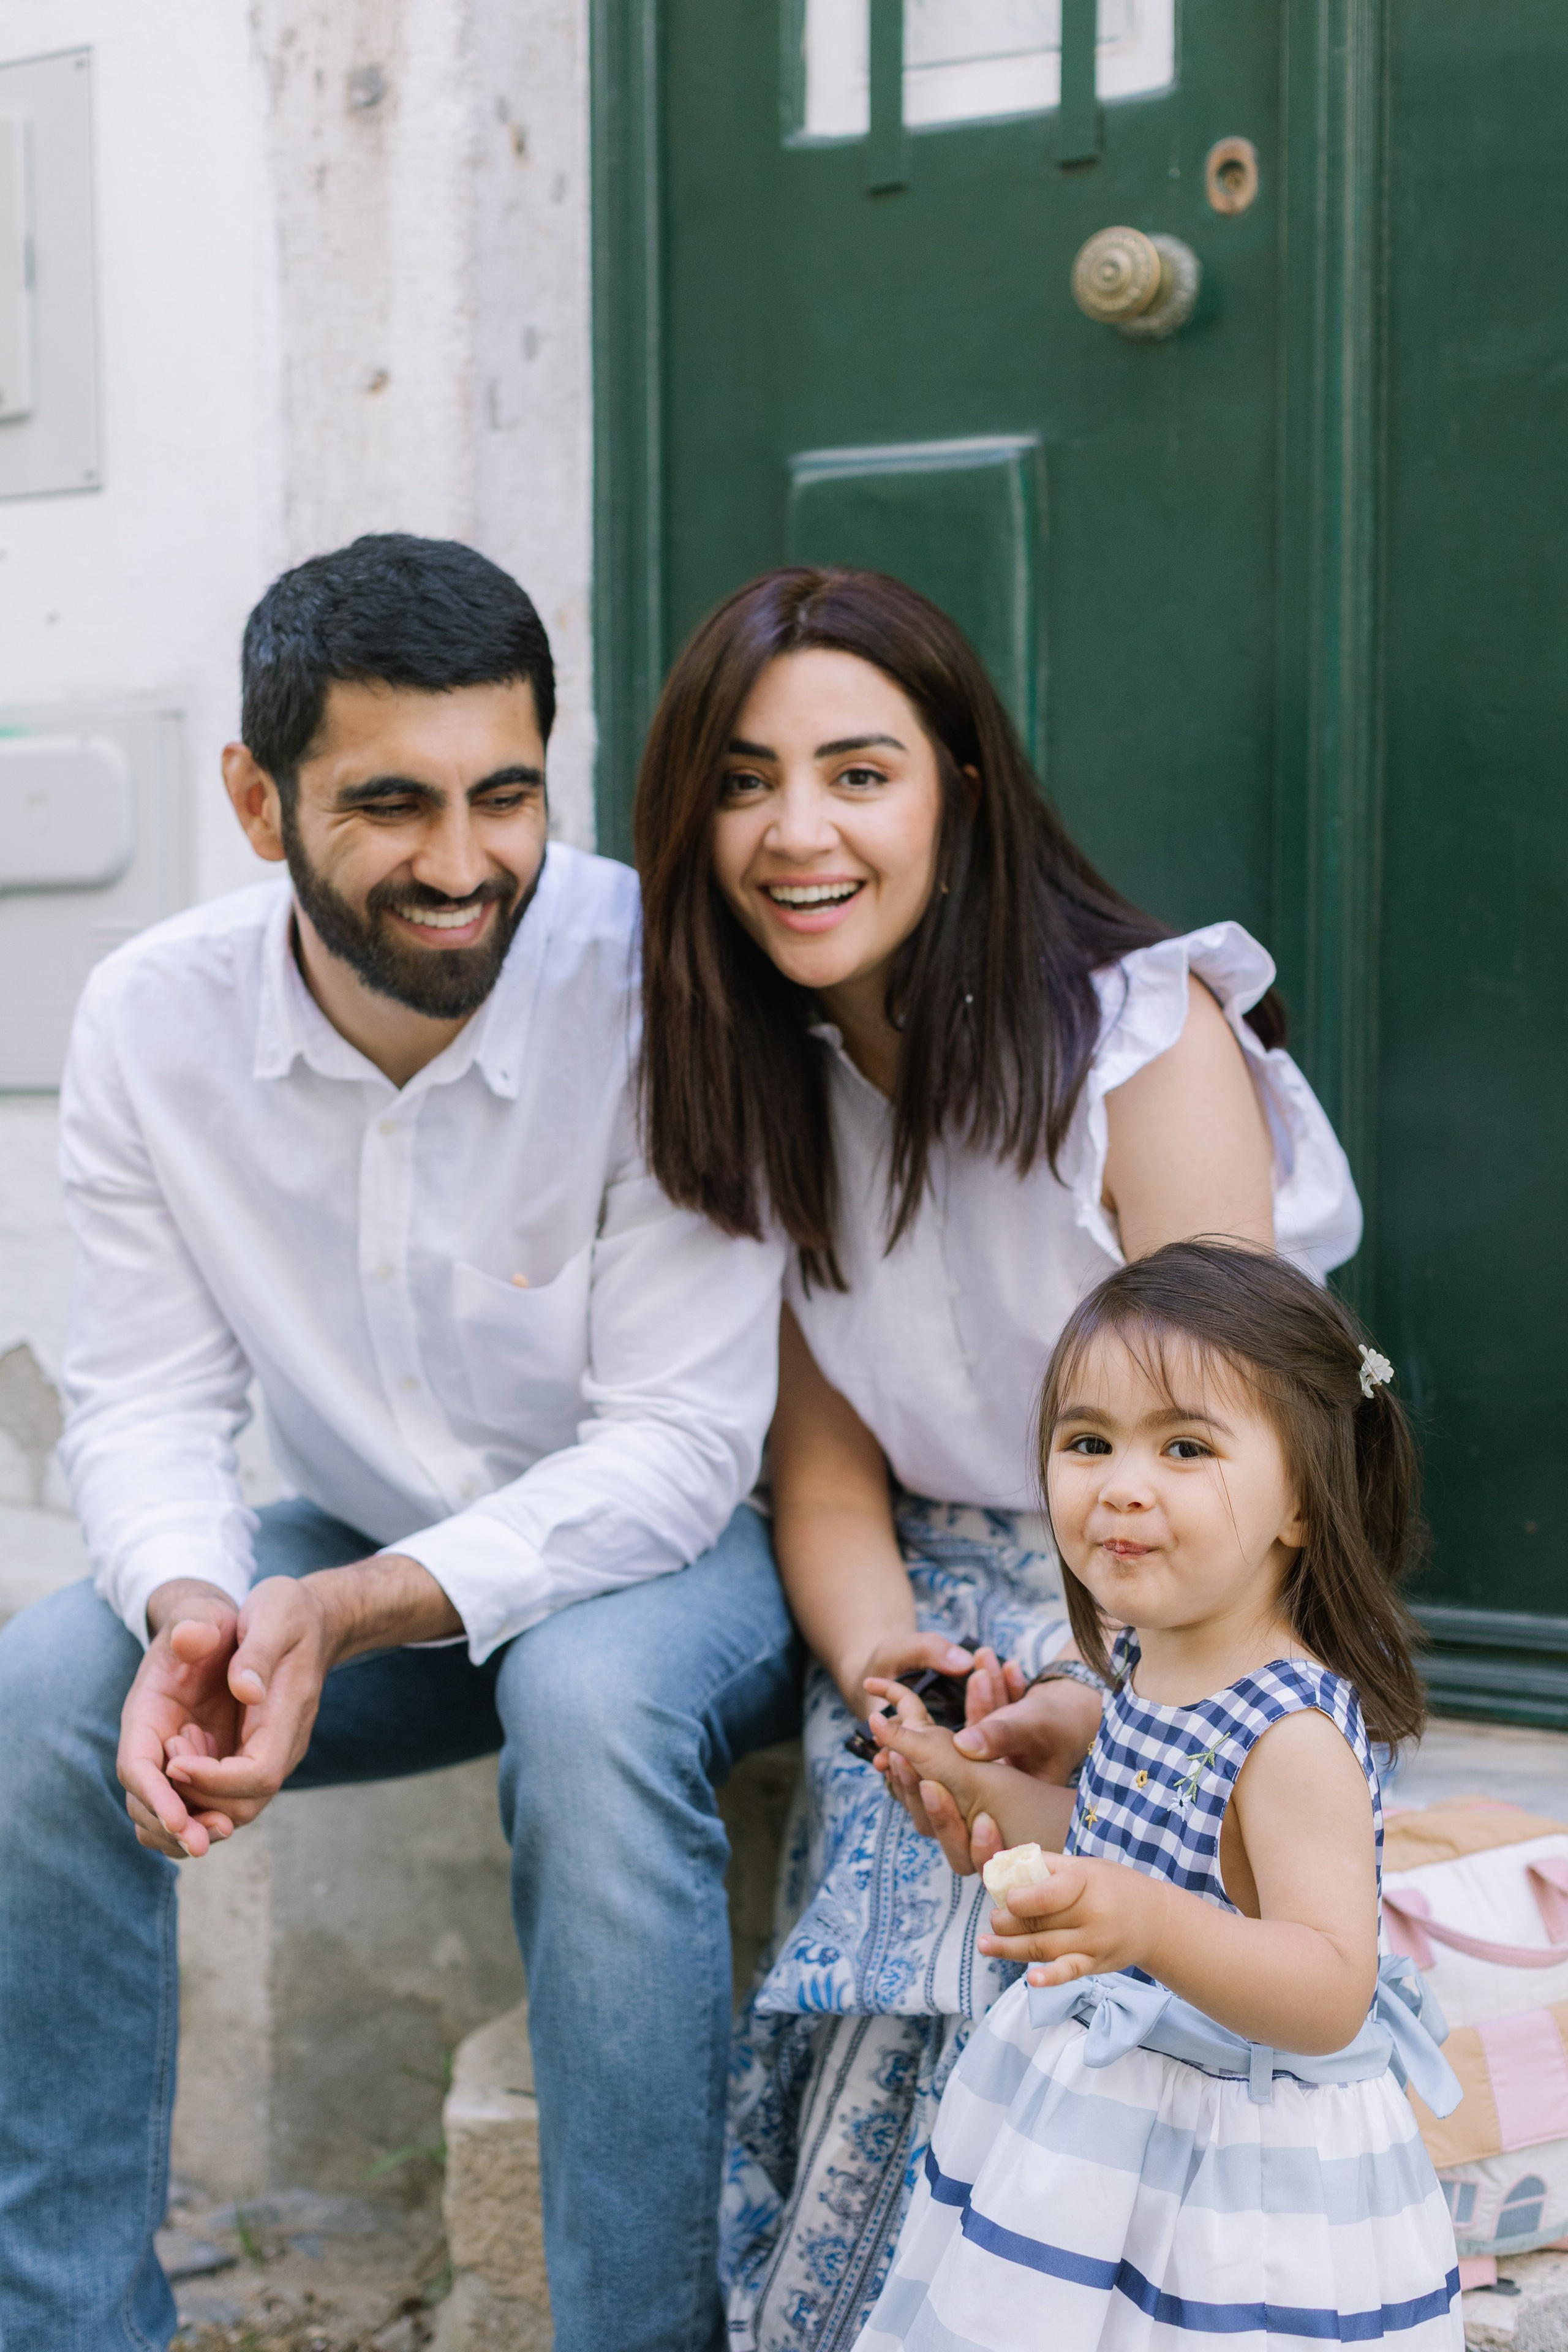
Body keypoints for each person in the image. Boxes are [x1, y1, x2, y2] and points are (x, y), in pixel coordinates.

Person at [0, 535, 797, 2352]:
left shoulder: (664, 981)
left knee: (586, 1700)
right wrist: (195, 1608)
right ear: (256, 801)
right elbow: (145, 1401)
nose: (460, 863)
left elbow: (680, 1447)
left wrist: (344, 1611)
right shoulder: (153, 1019)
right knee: (48, 1684)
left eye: (504, 796)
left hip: (681, 1570)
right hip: (360, 1566)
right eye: (390, 805)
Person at [632, 567, 1365, 2350]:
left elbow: (1224, 1457)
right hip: (927, 1591)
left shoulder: (1140, 1042)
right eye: (742, 782)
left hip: (1176, 1589)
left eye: (858, 773)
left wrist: (1089, 1678)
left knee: (1002, 1862)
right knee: (915, 1797)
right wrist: (884, 1675)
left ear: (958, 791)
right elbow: (826, 1480)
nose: (797, 832)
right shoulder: (765, 1079)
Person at [856, 1240, 1462, 2352]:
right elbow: (1114, 1843)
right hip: (1104, 2118)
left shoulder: (1290, 1735)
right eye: (1088, 1442)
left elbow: (1331, 1987)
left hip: (1230, 2164)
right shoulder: (1149, 1661)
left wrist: (1149, 1925)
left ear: (1300, 1501)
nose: (1121, 1484)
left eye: (1186, 1447)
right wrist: (974, 1780)